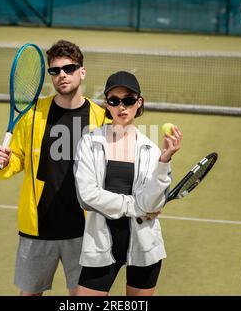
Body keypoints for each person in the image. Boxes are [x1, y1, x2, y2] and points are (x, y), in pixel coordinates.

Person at [0, 40, 107, 296]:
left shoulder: (101, 117)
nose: (62, 75)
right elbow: (16, 159)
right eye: (55, 71)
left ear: (82, 71)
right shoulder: (32, 115)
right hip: (38, 228)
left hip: (84, 230)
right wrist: (5, 163)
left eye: (69, 68)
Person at [73, 71, 182, 296]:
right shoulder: (89, 142)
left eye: (128, 100)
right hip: (100, 245)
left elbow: (154, 203)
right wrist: (135, 206)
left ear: (139, 103)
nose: (121, 107)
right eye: (114, 100)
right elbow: (87, 196)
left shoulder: (152, 150)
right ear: (107, 104)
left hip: (145, 247)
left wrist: (164, 161)